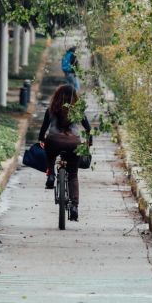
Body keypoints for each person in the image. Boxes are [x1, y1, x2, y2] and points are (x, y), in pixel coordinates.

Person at [38, 84, 92, 222]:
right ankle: (74, 207)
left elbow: (43, 130)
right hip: (74, 143)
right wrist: (88, 141)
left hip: (54, 140)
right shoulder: (78, 110)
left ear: (57, 96)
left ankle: (51, 175)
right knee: (73, 175)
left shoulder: (51, 109)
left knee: (50, 153)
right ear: (75, 98)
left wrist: (41, 140)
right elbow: (88, 128)